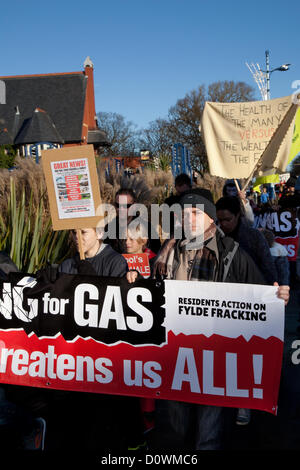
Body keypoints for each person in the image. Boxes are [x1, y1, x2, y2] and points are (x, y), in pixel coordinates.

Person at [129, 188, 289, 450]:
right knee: (174, 432)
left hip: (215, 359)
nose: (188, 218)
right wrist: (135, 283)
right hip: (175, 356)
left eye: (196, 212)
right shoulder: (168, 251)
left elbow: (260, 293)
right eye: (184, 213)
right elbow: (153, 294)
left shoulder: (232, 253)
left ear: (211, 218)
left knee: (209, 435)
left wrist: (278, 296)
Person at [216, 196, 278, 286]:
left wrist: (270, 292)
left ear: (237, 215)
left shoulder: (254, 236)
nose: (224, 224)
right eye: (220, 220)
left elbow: (268, 268)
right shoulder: (216, 237)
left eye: (228, 219)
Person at [104, 188, 161, 255]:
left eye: (126, 206)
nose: (121, 209)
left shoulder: (147, 227)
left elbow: (157, 251)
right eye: (118, 205)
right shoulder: (109, 227)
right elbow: (106, 254)